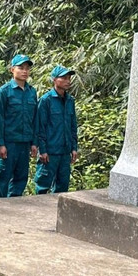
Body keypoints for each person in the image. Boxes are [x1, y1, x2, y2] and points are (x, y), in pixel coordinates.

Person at [0, 54, 39, 197]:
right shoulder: (4, 92)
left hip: (25, 143)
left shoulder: (32, 92)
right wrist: (0, 144)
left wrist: (34, 143)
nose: (24, 71)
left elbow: (34, 119)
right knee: (3, 179)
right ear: (12, 70)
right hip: (9, 143)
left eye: (27, 68)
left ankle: (14, 211)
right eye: (20, 68)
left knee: (20, 179)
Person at [34, 65, 78, 194]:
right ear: (54, 79)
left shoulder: (70, 101)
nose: (68, 81)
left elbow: (72, 126)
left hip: (65, 152)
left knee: (62, 187)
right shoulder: (46, 100)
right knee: (43, 186)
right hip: (50, 152)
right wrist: (42, 150)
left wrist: (74, 147)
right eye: (64, 78)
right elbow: (40, 126)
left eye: (69, 78)